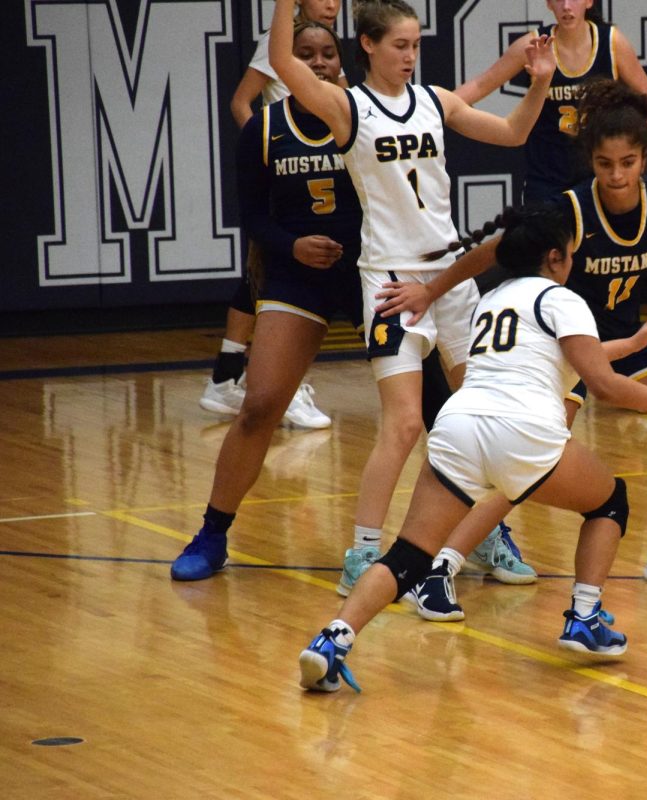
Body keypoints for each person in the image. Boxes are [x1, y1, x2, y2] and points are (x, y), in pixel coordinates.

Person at [376, 79, 647, 620]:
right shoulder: (571, 211)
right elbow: (490, 252)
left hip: (628, 341)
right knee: (526, 467)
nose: (618, 175)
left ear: (644, 157)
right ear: (592, 163)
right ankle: (441, 569)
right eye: (605, 164)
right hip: (566, 350)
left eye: (628, 162)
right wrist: (429, 289)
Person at [298, 205, 647, 692]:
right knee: (610, 502)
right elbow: (603, 385)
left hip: (458, 427)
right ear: (554, 257)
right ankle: (584, 618)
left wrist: (630, 345)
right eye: (571, 253)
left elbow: (558, 354)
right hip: (522, 430)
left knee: (407, 555)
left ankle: (332, 639)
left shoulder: (494, 299)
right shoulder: (563, 300)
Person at [207, 0, 549, 595]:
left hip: (451, 279)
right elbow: (284, 61)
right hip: (391, 281)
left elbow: (515, 131)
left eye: (416, 45)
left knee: (483, 419)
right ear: (367, 45)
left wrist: (539, 82)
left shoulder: (436, 101)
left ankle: (483, 535)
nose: (410, 56)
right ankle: (363, 552)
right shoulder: (349, 108)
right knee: (405, 424)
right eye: (399, 45)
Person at [171, 21, 364, 580]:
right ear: (283, 65)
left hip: (366, 273)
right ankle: (211, 534)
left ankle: (483, 534)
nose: (319, 62)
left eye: (328, 53)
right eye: (305, 53)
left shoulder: (362, 115)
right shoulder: (261, 130)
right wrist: (293, 246)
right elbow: (252, 217)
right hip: (296, 277)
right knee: (259, 407)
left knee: (429, 406)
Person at [200, 0, 346, 429]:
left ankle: (230, 373)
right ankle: (277, 382)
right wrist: (264, 149)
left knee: (276, 277)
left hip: (324, 178)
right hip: (288, 175)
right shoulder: (283, 41)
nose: (331, 2)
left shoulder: (330, 50)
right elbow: (241, 101)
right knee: (269, 274)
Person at [454, 0, 647, 203]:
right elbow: (481, 84)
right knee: (539, 232)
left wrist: (639, 148)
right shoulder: (535, 45)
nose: (566, 6)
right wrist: (436, 104)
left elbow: (646, 93)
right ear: (549, 3)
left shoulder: (612, 43)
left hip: (596, 174)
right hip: (547, 175)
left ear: (589, 2)